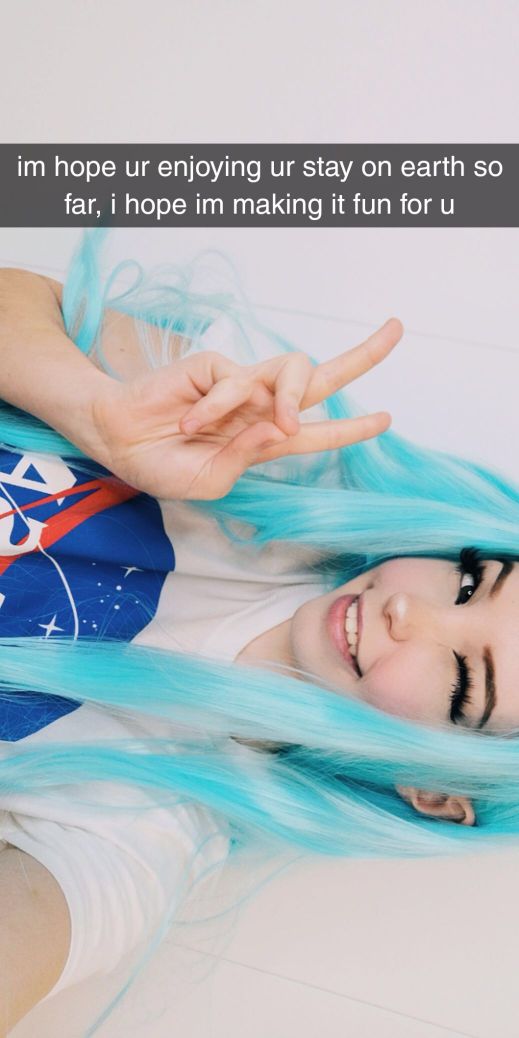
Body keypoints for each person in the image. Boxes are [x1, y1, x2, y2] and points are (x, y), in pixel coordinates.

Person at [1, 231, 519, 1034]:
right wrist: (94, 411)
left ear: (435, 789)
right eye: (466, 582)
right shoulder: (272, 448)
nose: (407, 613)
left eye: (462, 677)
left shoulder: (141, 828)